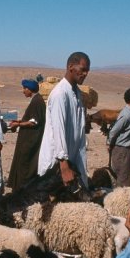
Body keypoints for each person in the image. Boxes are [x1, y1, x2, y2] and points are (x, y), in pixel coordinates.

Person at [38, 52, 91, 189]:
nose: (85, 74)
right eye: (83, 69)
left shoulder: (77, 94)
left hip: (72, 158)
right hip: (58, 163)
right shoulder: (60, 94)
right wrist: (64, 164)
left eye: (87, 71)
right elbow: (58, 129)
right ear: (71, 66)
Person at [7, 79, 46, 190]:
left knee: (25, 165)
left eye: (25, 88)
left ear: (30, 89)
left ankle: (22, 190)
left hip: (30, 141)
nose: (23, 91)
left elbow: (34, 122)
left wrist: (18, 124)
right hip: (28, 139)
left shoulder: (37, 102)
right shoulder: (36, 100)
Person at [108, 88, 130, 187]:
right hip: (123, 151)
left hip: (124, 150)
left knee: (123, 180)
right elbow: (113, 131)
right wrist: (110, 145)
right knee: (123, 182)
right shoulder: (127, 115)